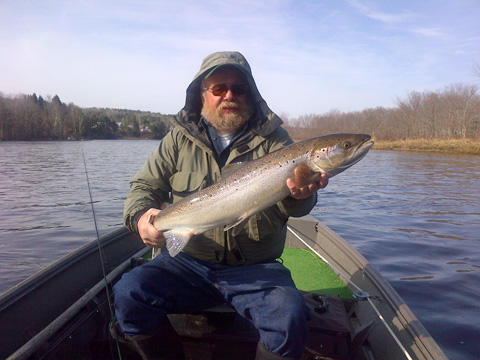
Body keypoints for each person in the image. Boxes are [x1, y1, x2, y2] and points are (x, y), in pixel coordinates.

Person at [112, 51, 329, 360]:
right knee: (128, 294)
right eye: (219, 89)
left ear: (250, 94)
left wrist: (301, 196)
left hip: (255, 268)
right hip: (187, 264)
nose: (230, 95)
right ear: (203, 95)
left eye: (238, 88)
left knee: (290, 318)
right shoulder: (177, 141)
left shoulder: (277, 141)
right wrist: (140, 218)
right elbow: (144, 187)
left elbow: (293, 208)